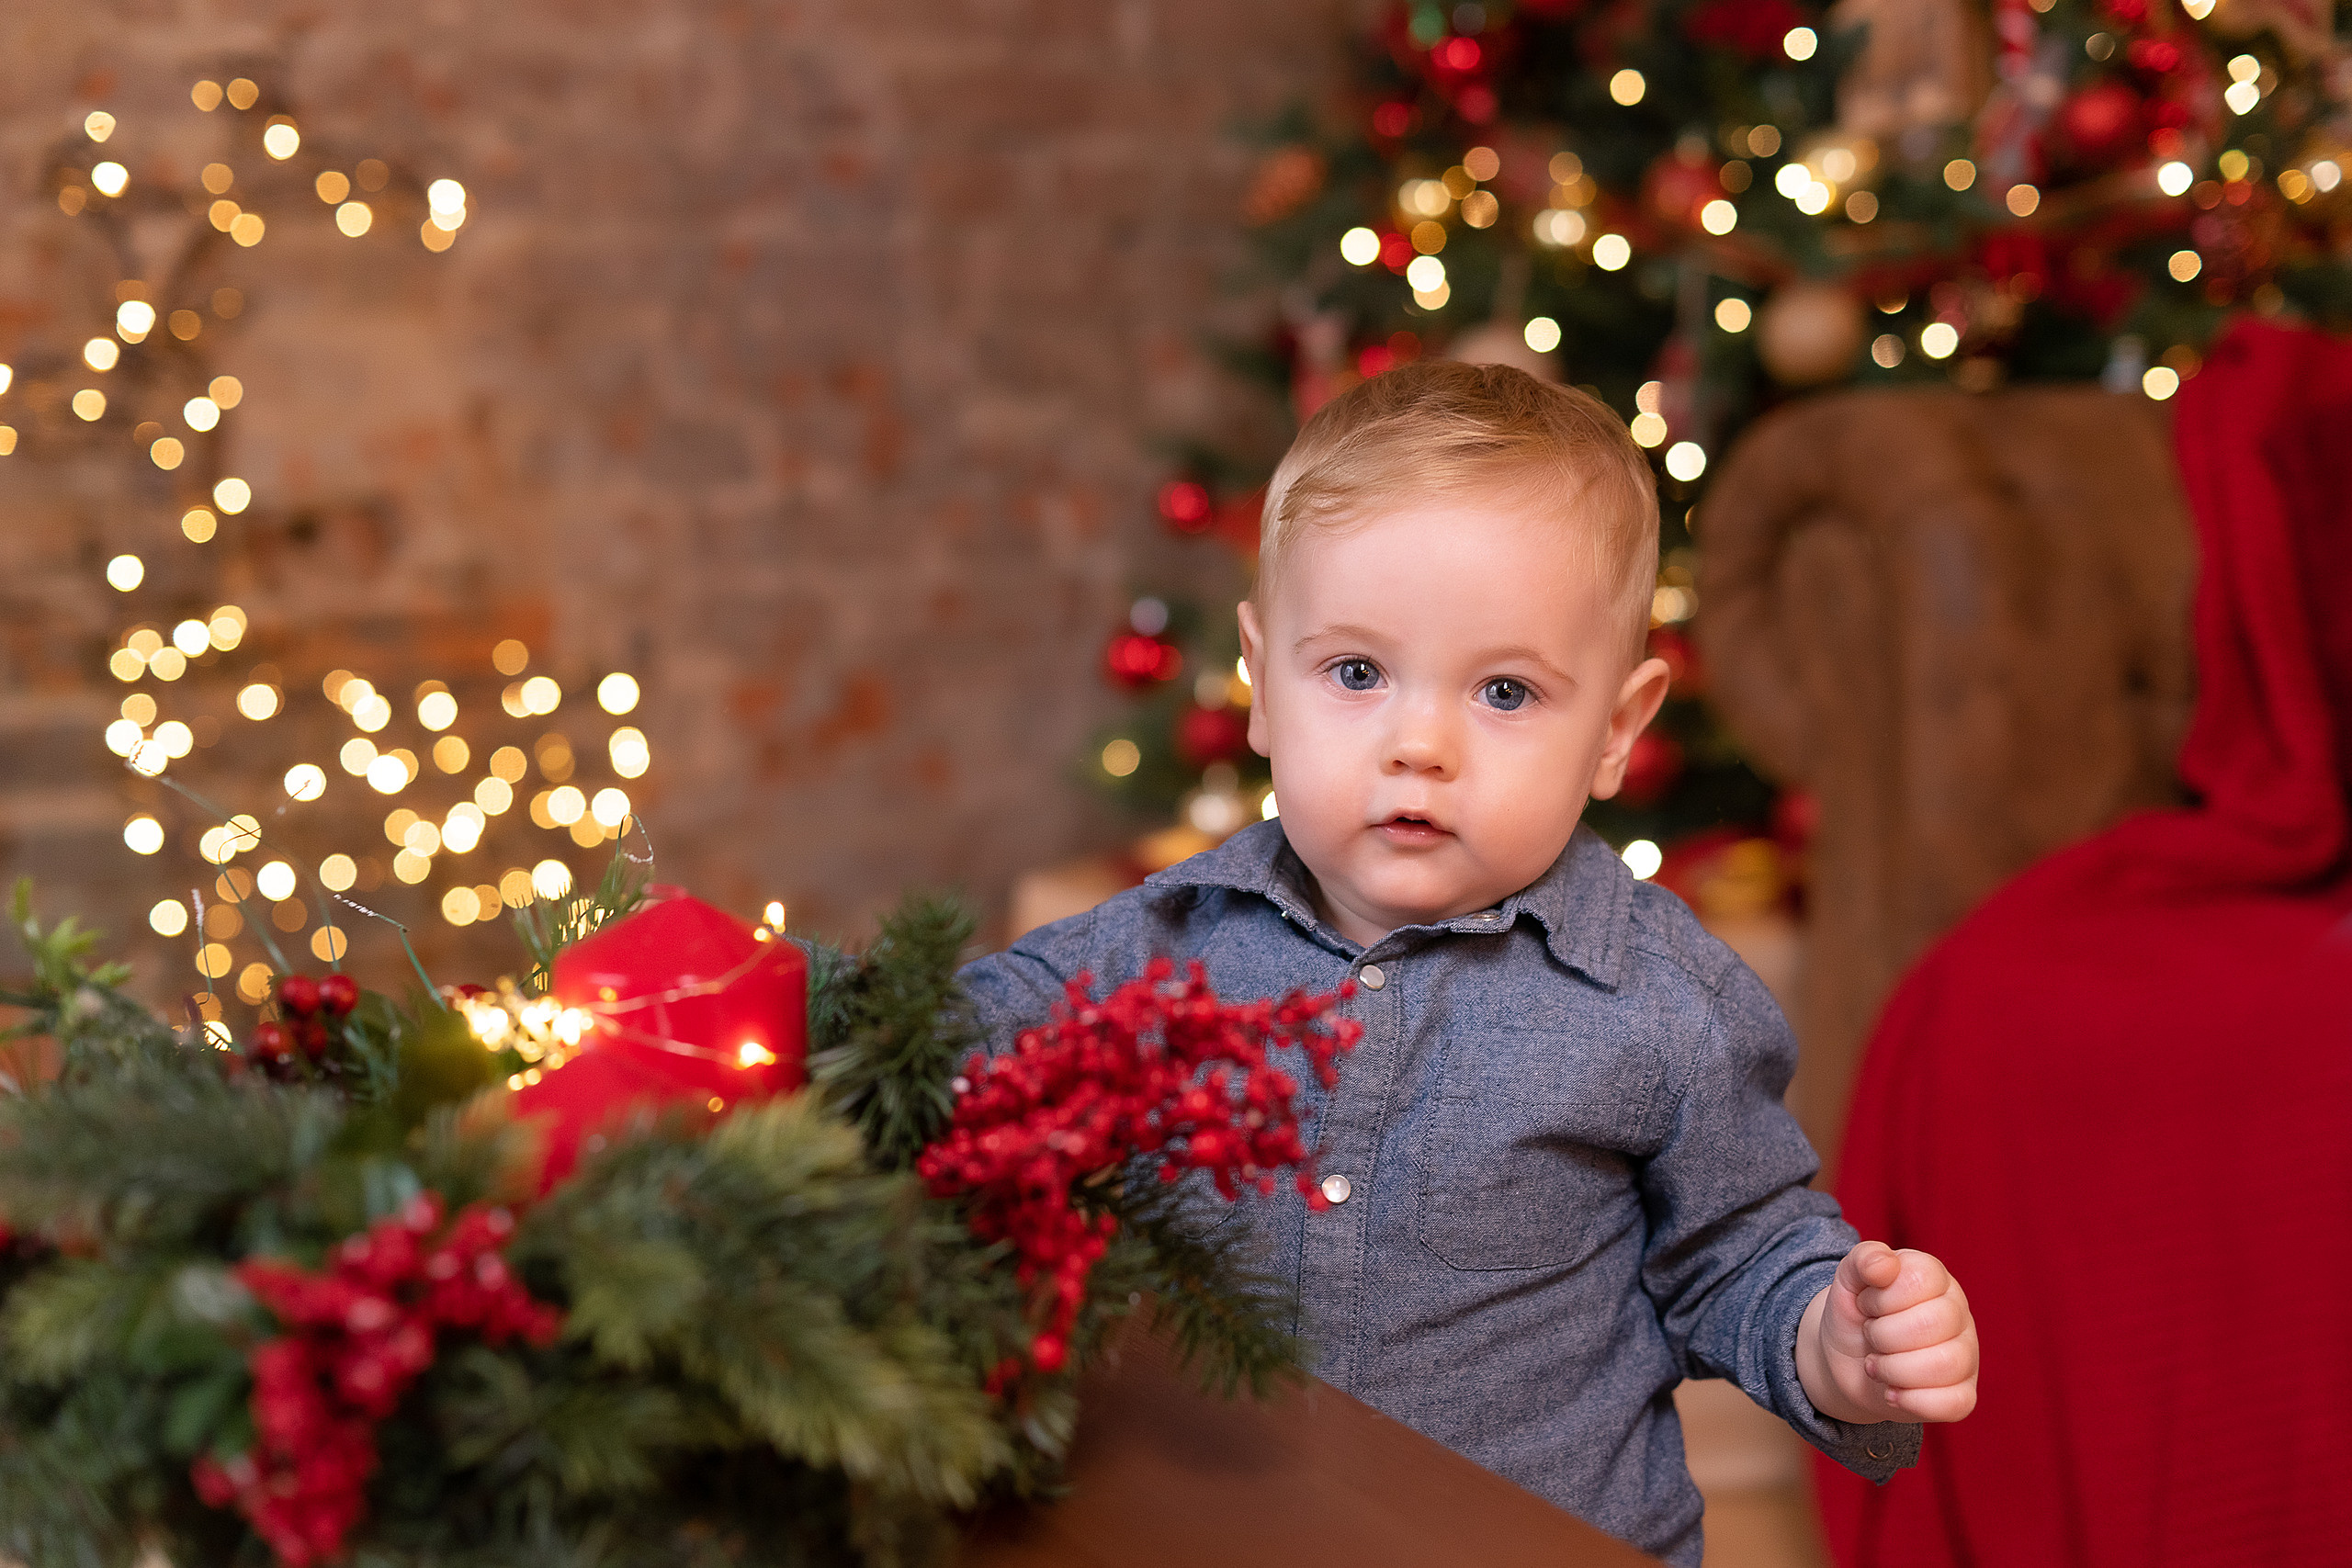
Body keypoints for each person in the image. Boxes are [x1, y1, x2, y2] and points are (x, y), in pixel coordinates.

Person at [958, 361, 1978, 1566]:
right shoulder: (1155, 948)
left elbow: (1741, 1251)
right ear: (1263, 687)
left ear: (1617, 729)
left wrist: (1834, 1344)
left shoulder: (1661, 1000)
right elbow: (933, 1037)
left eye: (1504, 691)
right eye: (1356, 674)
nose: (1420, 745)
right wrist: (793, 1009)